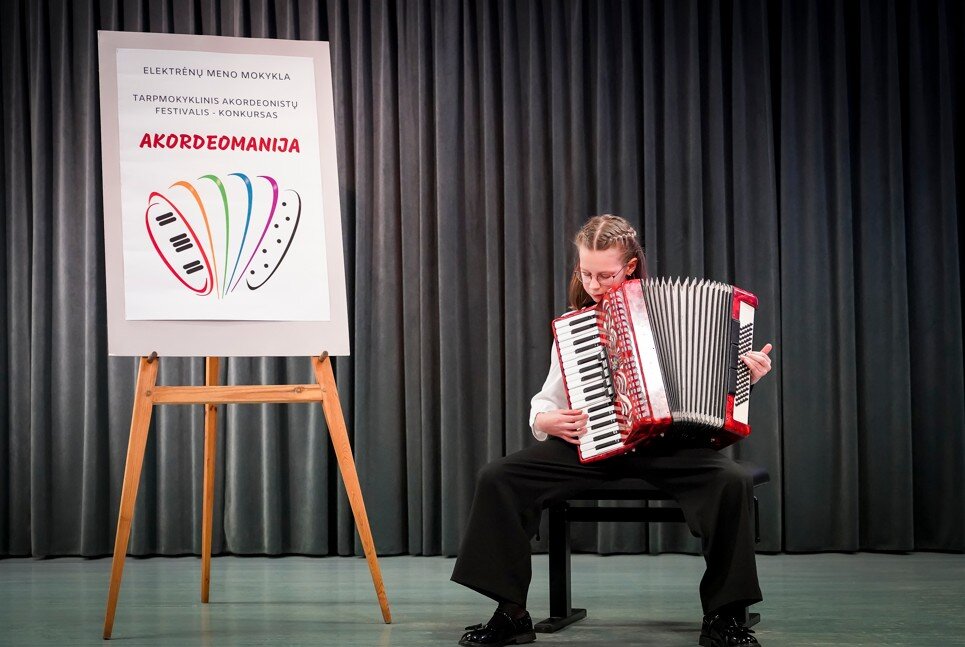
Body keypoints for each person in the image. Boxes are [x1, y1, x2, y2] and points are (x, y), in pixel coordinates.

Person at [451, 214, 774, 647]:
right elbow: (548, 398)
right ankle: (511, 614)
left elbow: (712, 390)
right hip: (595, 442)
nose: (594, 284)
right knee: (499, 477)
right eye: (585, 273)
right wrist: (543, 419)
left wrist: (746, 376)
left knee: (731, 482)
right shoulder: (578, 324)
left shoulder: (670, 313)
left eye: (605, 274)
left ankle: (723, 618)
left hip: (668, 448)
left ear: (630, 267)